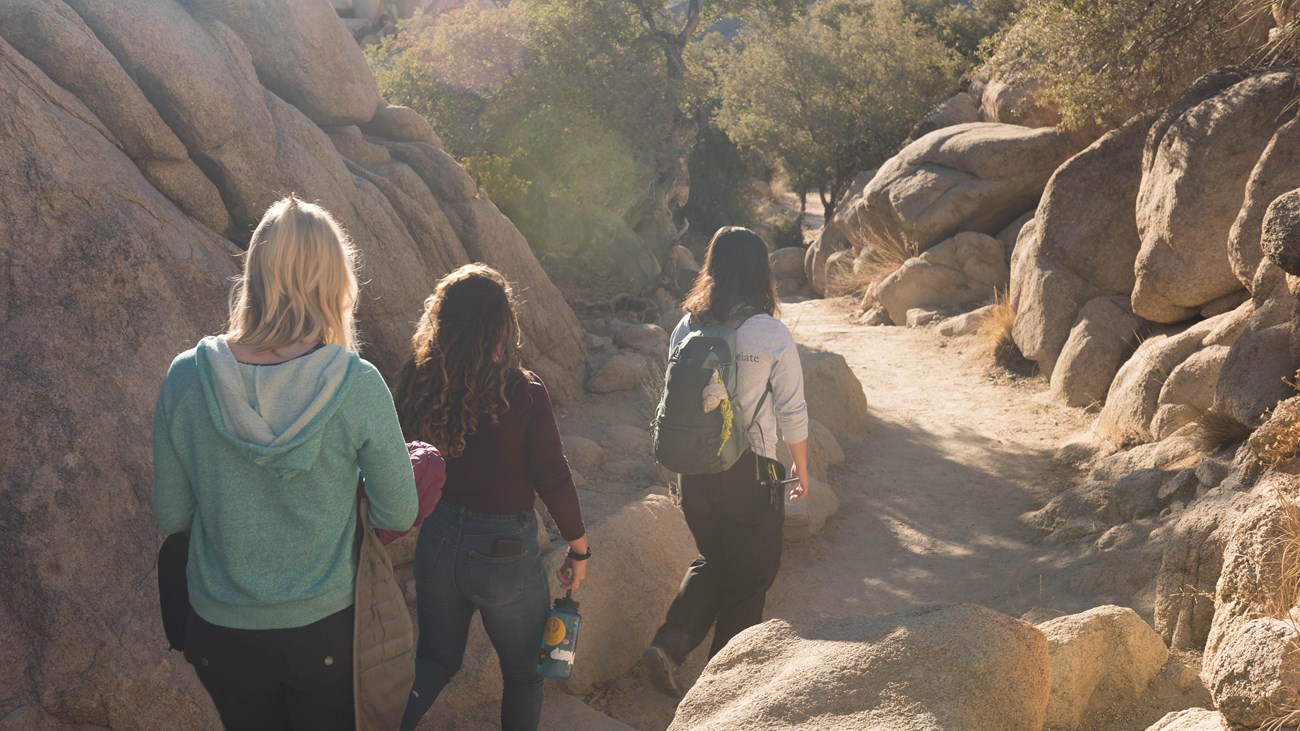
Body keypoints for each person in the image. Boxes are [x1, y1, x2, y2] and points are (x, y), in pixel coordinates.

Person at [151, 196, 419, 730]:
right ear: (334, 281)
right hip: (324, 628)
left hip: (220, 630)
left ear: (256, 273)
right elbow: (398, 512)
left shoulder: (186, 377)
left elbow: (173, 517)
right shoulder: (356, 384)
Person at [394, 264, 589, 731]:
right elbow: (554, 477)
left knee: (436, 661)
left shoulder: (417, 381)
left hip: (438, 539)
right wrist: (579, 547)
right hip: (505, 553)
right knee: (524, 674)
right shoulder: (522, 390)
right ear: (502, 324)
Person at [642, 226, 810, 696]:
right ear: (762, 271)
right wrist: (801, 467)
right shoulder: (770, 332)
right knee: (752, 576)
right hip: (749, 472)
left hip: (692, 471)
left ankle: (669, 645)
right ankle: (722, 692)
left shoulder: (686, 325)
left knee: (716, 558)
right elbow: (793, 409)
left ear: (711, 268)